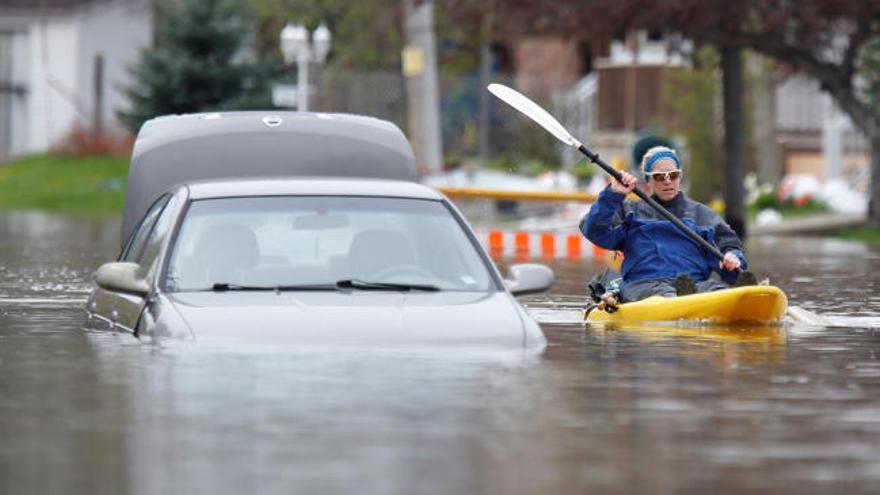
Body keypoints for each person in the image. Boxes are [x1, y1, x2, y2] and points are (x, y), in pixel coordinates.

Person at [580, 145, 748, 303]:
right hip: (643, 286)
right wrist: (612, 195)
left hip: (695, 286)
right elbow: (593, 229)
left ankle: (691, 297)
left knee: (713, 288)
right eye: (660, 177)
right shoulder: (629, 213)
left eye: (673, 175)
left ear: (679, 177)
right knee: (662, 293)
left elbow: (729, 250)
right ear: (648, 180)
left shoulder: (703, 216)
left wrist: (733, 260)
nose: (667, 181)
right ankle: (679, 299)